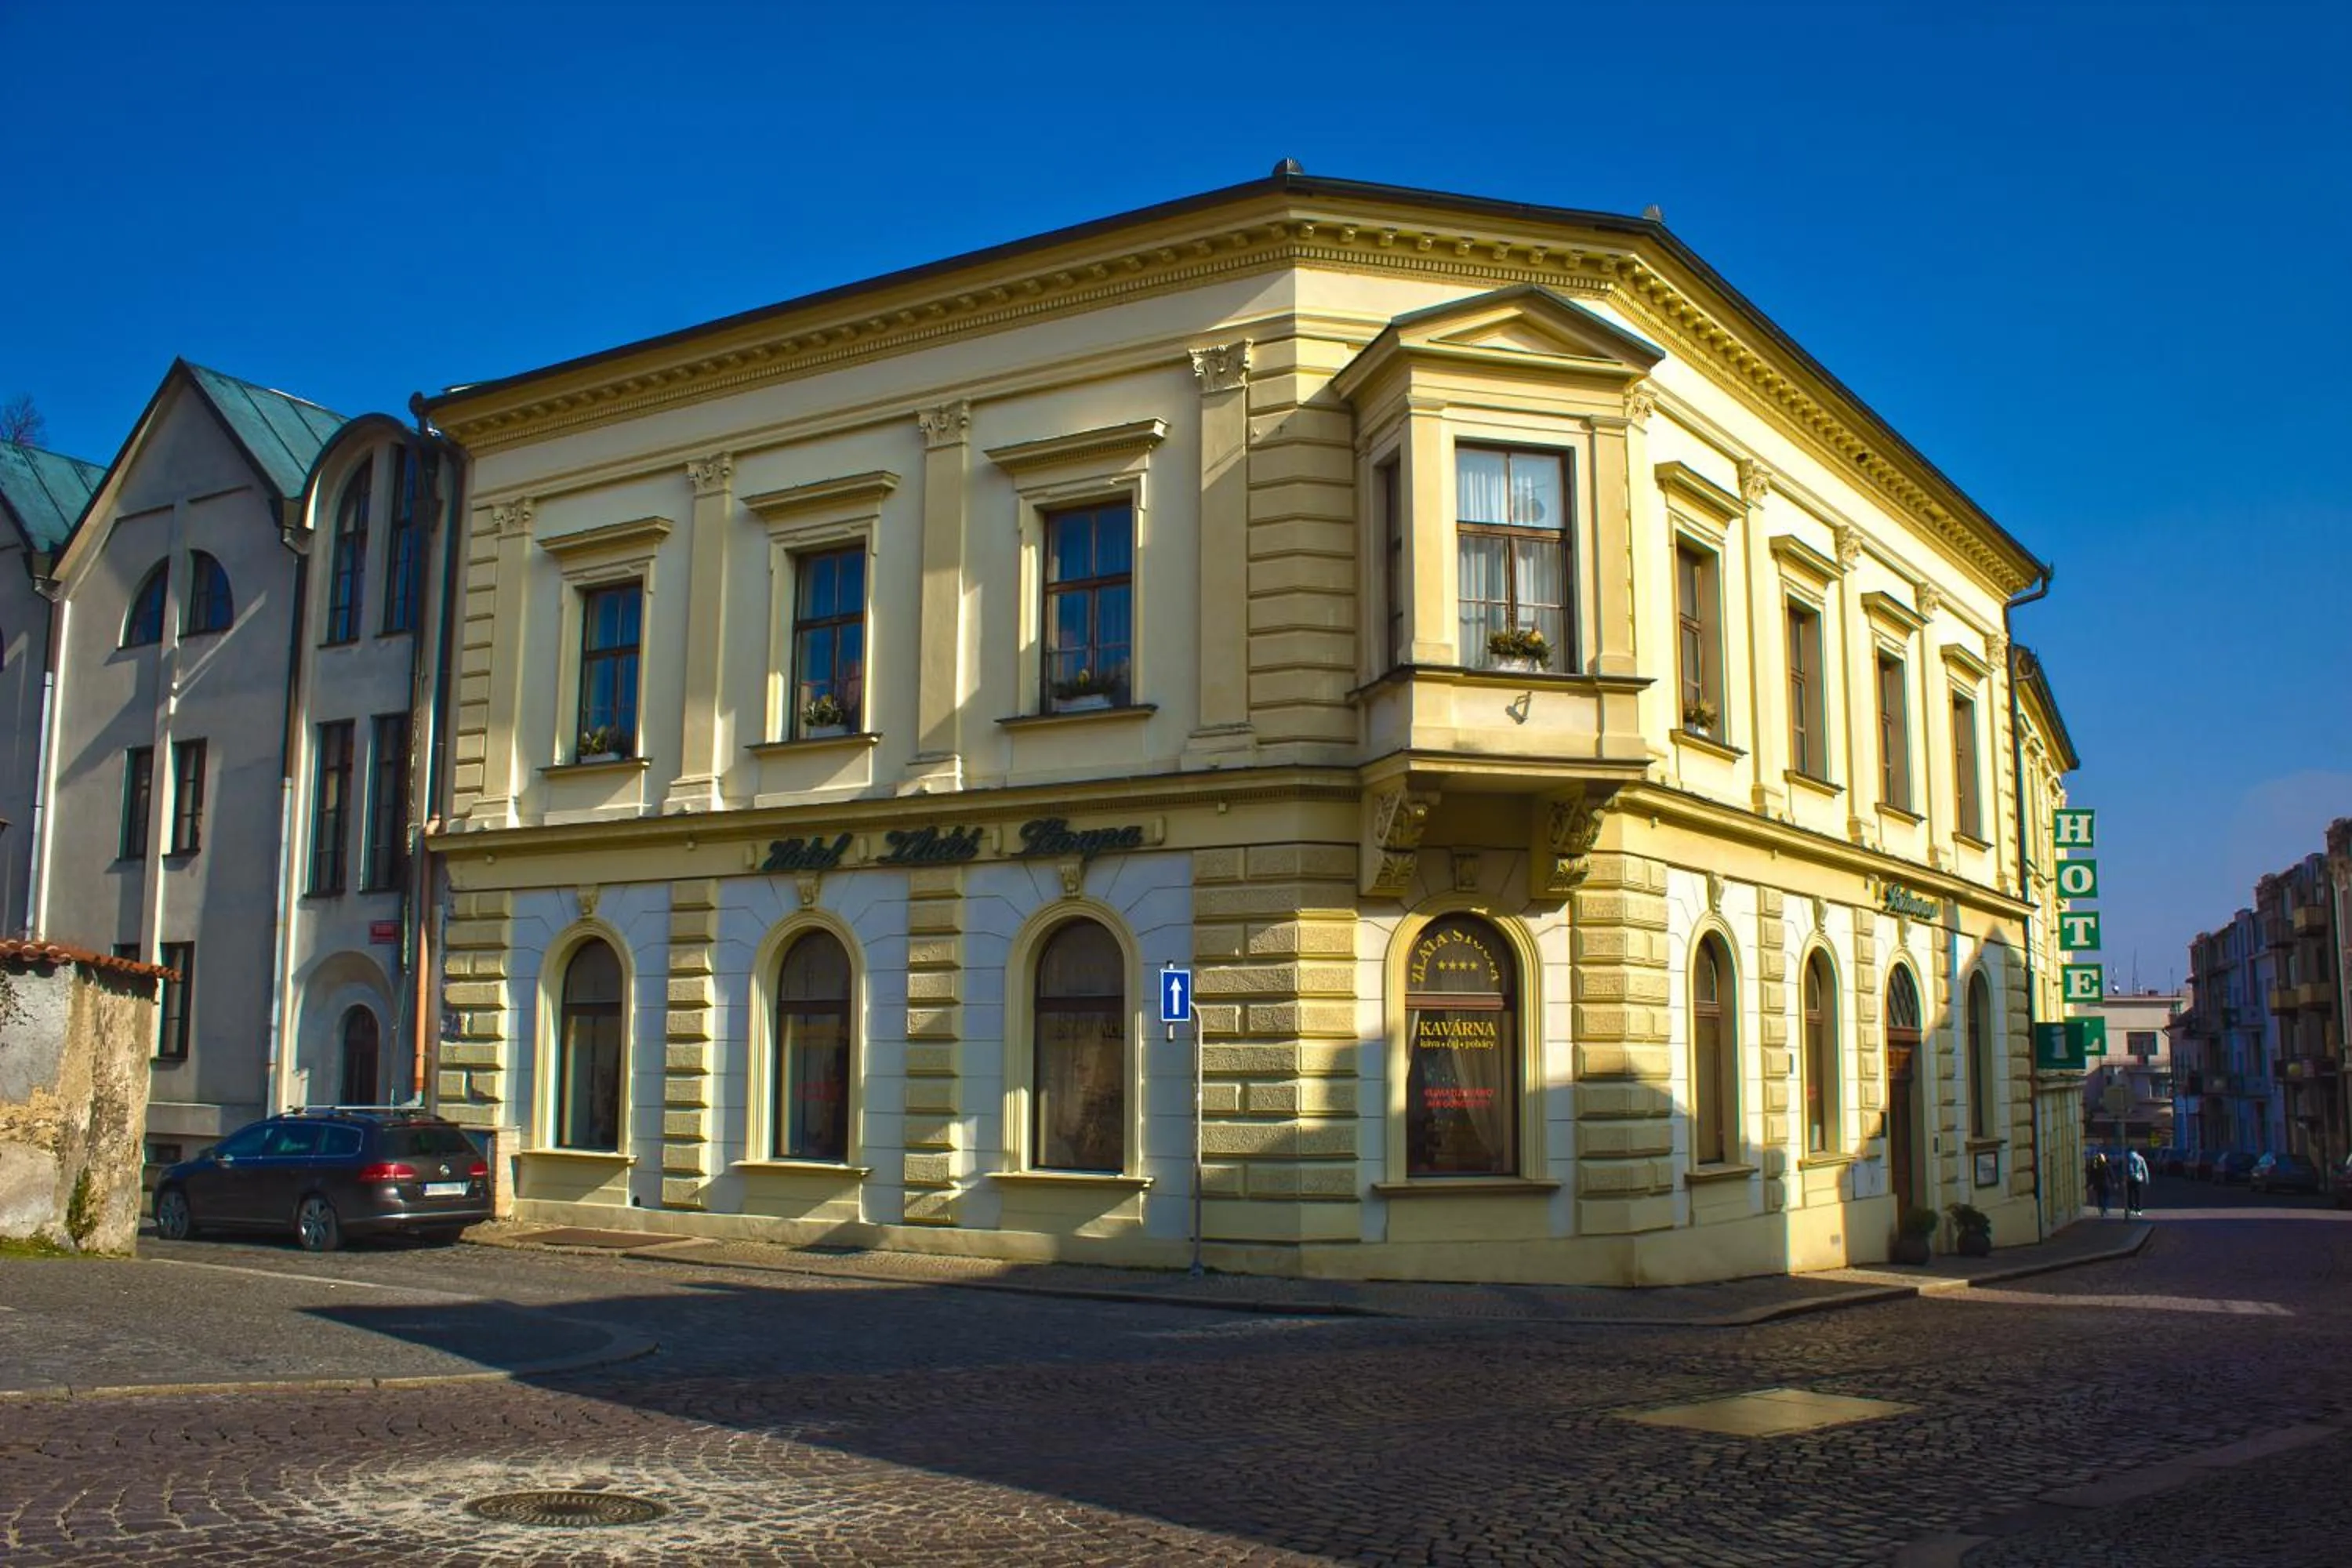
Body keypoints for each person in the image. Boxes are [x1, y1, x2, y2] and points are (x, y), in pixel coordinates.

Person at [2126, 1148, 2150, 1217]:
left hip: (2129, 1179)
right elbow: (2145, 1169)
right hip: (2139, 1179)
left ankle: (2131, 1208)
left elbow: (2124, 1169)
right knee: (2138, 1195)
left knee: (2129, 1195)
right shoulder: (2140, 1158)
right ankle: (2139, 1210)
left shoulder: (2127, 1158)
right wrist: (2147, 1179)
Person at [2088, 1152, 2110, 1217]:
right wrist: (2115, 1182)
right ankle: (2105, 1208)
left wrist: (2089, 1184)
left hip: (2098, 1184)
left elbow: (2091, 1176)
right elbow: (2111, 1175)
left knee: (2099, 1196)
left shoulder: (2095, 1167)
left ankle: (2101, 1208)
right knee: (2106, 1196)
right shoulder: (2107, 1166)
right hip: (2106, 1183)